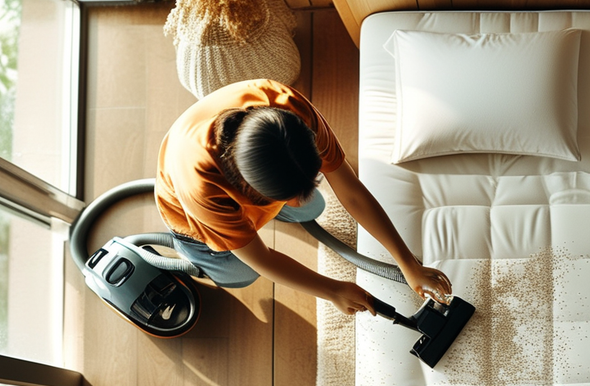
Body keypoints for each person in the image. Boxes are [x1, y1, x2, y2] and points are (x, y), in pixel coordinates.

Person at [154, 78, 451, 315]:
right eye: (286, 196)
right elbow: (262, 258)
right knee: (241, 273)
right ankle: (197, 257)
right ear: (246, 188)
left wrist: (409, 264)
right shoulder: (202, 185)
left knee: (313, 208)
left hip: (254, 179)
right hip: (190, 218)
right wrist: (332, 290)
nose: (298, 201)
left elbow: (352, 192)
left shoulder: (290, 115)